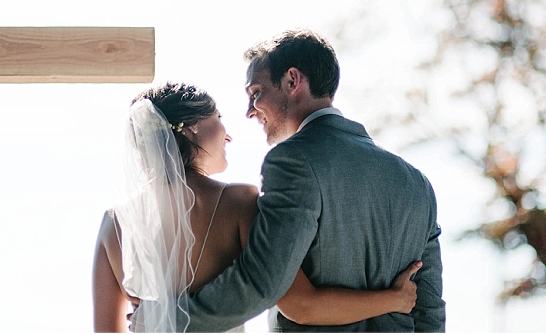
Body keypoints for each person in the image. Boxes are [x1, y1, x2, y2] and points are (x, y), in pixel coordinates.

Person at [92, 82, 422, 332]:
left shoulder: (114, 223)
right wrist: (395, 299)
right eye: (218, 118)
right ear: (192, 127)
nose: (228, 135)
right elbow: (301, 305)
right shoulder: (239, 203)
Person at [177, 29, 446, 332]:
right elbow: (429, 311)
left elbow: (263, 282)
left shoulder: (292, 161)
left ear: (292, 80)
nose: (250, 112)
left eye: (256, 93)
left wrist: (172, 320)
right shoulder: (416, 183)